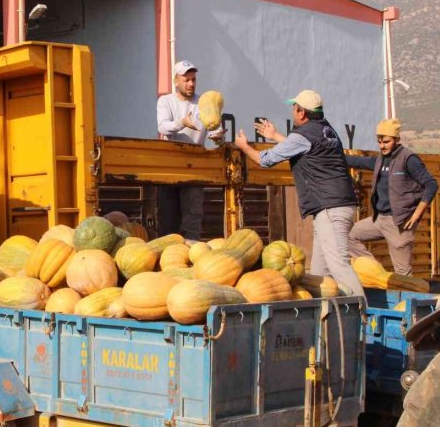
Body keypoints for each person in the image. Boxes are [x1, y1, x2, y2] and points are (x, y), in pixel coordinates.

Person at [232, 90, 365, 297]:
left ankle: (362, 318)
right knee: (320, 273)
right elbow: (305, 149)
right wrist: (275, 136)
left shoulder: (303, 135)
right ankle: (324, 318)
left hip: (330, 208)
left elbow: (264, 160)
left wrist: (244, 147)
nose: (293, 111)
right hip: (339, 206)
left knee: (339, 264)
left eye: (294, 108)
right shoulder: (327, 131)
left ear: (302, 113)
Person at [345, 119, 438, 276]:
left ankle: (405, 298)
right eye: (379, 142)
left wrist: (416, 215)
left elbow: (431, 184)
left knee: (403, 275)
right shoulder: (380, 159)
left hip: (399, 224)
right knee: (348, 236)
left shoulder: (409, 159)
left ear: (397, 139)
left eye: (386, 142)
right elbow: (358, 161)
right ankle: (376, 273)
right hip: (378, 220)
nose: (382, 146)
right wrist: (329, 156)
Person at [155, 60, 225, 240]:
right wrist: (181, 123)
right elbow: (163, 127)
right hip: (170, 167)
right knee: (168, 218)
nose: (191, 84)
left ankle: (191, 256)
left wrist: (218, 136)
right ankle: (170, 257)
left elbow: (214, 130)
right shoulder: (166, 101)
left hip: (195, 166)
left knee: (193, 217)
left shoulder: (203, 103)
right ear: (175, 81)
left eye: (193, 80)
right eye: (186, 80)